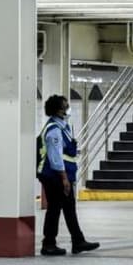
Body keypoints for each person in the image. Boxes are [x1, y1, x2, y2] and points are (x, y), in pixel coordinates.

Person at [38, 95, 99, 256]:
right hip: (54, 175)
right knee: (55, 209)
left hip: (61, 175)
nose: (68, 108)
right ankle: (49, 244)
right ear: (58, 110)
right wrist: (64, 179)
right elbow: (55, 157)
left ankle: (77, 241)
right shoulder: (54, 130)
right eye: (66, 106)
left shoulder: (63, 127)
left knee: (69, 208)